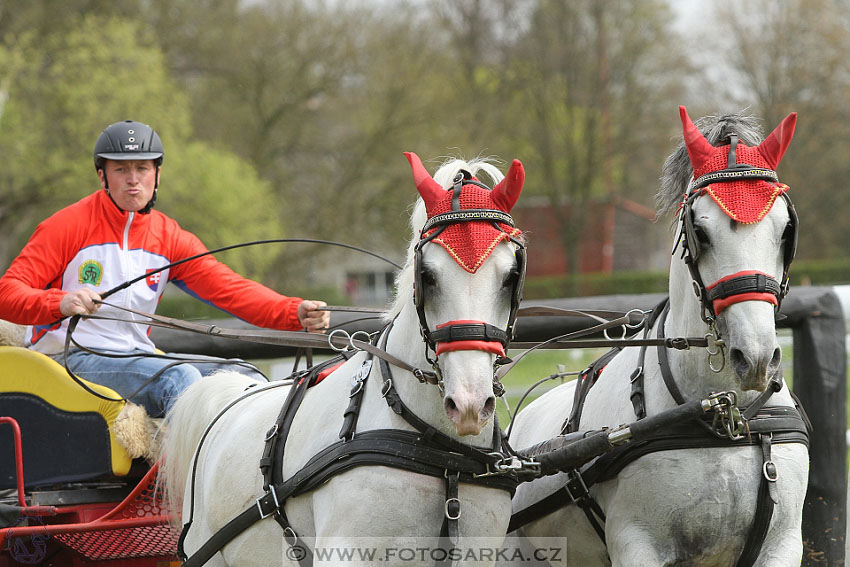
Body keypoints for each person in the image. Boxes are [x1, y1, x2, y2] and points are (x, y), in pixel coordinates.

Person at [0, 119, 330, 418]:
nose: (133, 181)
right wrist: (60, 302)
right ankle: (190, 483)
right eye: (120, 170)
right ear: (102, 175)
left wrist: (294, 312)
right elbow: (8, 293)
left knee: (246, 375)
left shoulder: (169, 236)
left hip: (139, 357)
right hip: (69, 360)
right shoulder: (66, 226)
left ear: (157, 173)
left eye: (142, 168)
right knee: (179, 378)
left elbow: (229, 290)